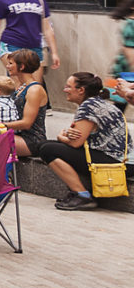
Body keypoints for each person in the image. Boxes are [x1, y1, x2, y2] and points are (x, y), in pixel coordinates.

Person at [39, 72, 130, 211]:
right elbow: (77, 135)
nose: (65, 90)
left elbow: (76, 143)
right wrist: (67, 135)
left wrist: (61, 136)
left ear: (81, 90)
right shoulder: (97, 103)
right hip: (121, 159)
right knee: (47, 145)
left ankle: (82, 195)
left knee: (47, 149)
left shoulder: (88, 107)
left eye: (68, 86)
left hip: (117, 162)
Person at [2, 48, 50, 158]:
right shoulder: (21, 86)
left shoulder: (34, 90)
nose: (7, 66)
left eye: (10, 64)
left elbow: (27, 123)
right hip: (18, 135)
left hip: (31, 140)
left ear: (22, 66)